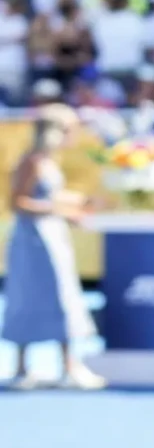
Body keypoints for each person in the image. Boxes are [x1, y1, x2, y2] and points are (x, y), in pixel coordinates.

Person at [1, 104, 105, 390]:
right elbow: (18, 202)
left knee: (62, 296)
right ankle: (22, 367)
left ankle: (69, 365)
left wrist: (74, 206)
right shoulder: (31, 161)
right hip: (33, 239)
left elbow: (51, 197)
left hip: (51, 234)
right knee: (28, 295)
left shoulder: (48, 161)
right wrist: (59, 209)